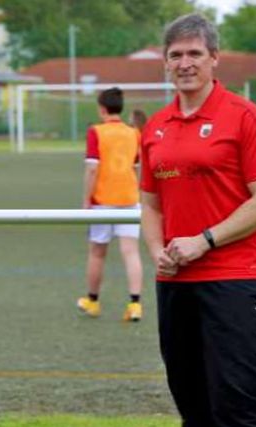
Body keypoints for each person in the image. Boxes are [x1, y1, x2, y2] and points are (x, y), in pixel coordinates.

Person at [140, 13, 256, 427]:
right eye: (175, 55)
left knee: (236, 398)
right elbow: (150, 204)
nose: (184, 63)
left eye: (194, 54)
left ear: (214, 59)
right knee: (192, 400)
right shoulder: (154, 128)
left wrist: (204, 240)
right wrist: (159, 251)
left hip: (233, 279)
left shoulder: (244, 117)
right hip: (175, 283)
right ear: (165, 61)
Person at [76, 87, 144, 322]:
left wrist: (86, 199)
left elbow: (93, 168)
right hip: (129, 199)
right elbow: (135, 167)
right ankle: (135, 304)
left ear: (101, 108)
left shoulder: (96, 131)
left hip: (103, 201)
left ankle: (92, 301)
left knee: (97, 253)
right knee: (131, 252)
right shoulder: (134, 133)